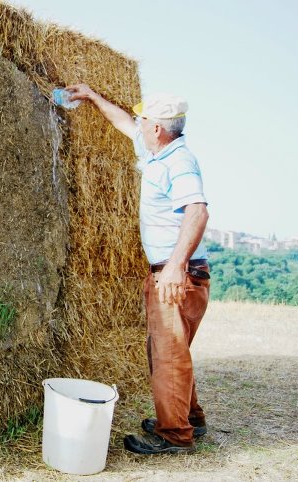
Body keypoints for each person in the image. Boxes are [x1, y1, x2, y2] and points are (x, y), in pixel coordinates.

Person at [65, 85, 211, 455]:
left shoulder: (179, 162)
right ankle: (190, 419)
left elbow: (197, 211)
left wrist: (175, 267)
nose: (139, 123)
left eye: (145, 120)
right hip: (176, 272)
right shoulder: (157, 153)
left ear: (158, 128)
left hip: (177, 275)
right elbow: (125, 124)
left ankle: (174, 434)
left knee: (167, 354)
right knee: (175, 350)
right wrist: (93, 97)